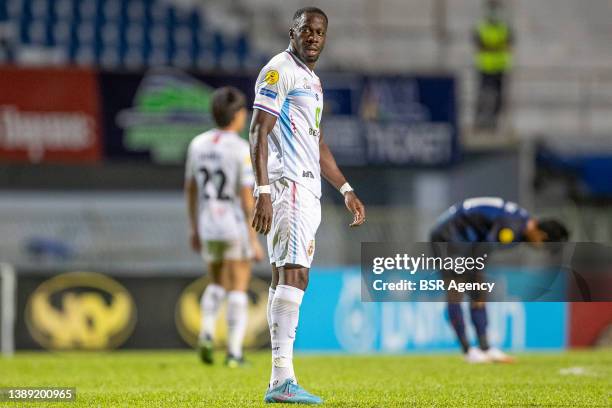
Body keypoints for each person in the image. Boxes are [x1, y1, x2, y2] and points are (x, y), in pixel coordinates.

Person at [249, 7, 366, 404]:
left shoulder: (312, 82)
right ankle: (282, 381)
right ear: (292, 31)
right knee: (295, 276)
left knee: (285, 277)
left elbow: (316, 143)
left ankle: (279, 380)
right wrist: (262, 191)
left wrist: (345, 187)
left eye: (320, 32)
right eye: (307, 30)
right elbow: (257, 132)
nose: (314, 37)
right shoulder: (279, 70)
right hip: (289, 187)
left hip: (307, 188)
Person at [430, 197, 569, 363]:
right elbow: (484, 247)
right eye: (543, 244)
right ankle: (469, 352)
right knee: (456, 289)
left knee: (478, 292)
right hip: (448, 235)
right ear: (541, 234)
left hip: (463, 237)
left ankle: (485, 349)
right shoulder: (513, 227)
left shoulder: (520, 223)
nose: (539, 247)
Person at [185, 86, 264, 368]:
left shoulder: (198, 144)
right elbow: (245, 197)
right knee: (238, 287)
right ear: (239, 115)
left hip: (208, 225)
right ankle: (234, 353)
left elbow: (191, 189)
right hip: (233, 225)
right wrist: (253, 239)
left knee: (217, 282)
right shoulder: (241, 149)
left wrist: (194, 227)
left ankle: (206, 333)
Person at [474, 0, 513, 130]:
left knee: (499, 96)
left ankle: (494, 122)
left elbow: (508, 45)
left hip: (500, 67)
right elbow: (480, 46)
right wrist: (497, 46)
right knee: (483, 95)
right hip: (485, 66)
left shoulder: (504, 28)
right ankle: (480, 120)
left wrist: (491, 46)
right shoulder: (481, 28)